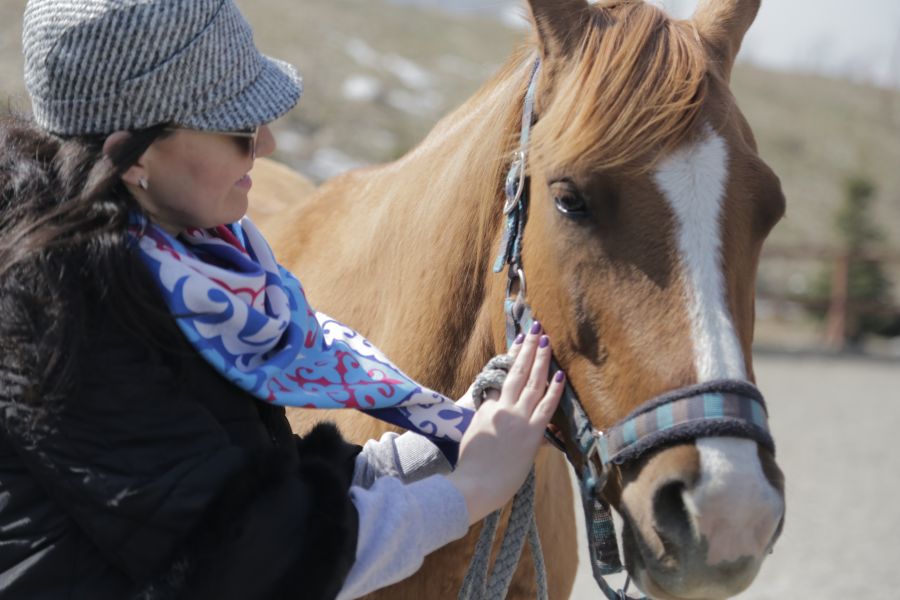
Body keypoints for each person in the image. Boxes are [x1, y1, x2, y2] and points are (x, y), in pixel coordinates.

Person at [0, 1, 564, 598]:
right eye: (239, 132)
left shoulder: (183, 268)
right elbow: (247, 563)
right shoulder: (59, 315)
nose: (267, 143)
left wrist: (445, 446)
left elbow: (258, 478)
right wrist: (470, 489)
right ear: (133, 155)